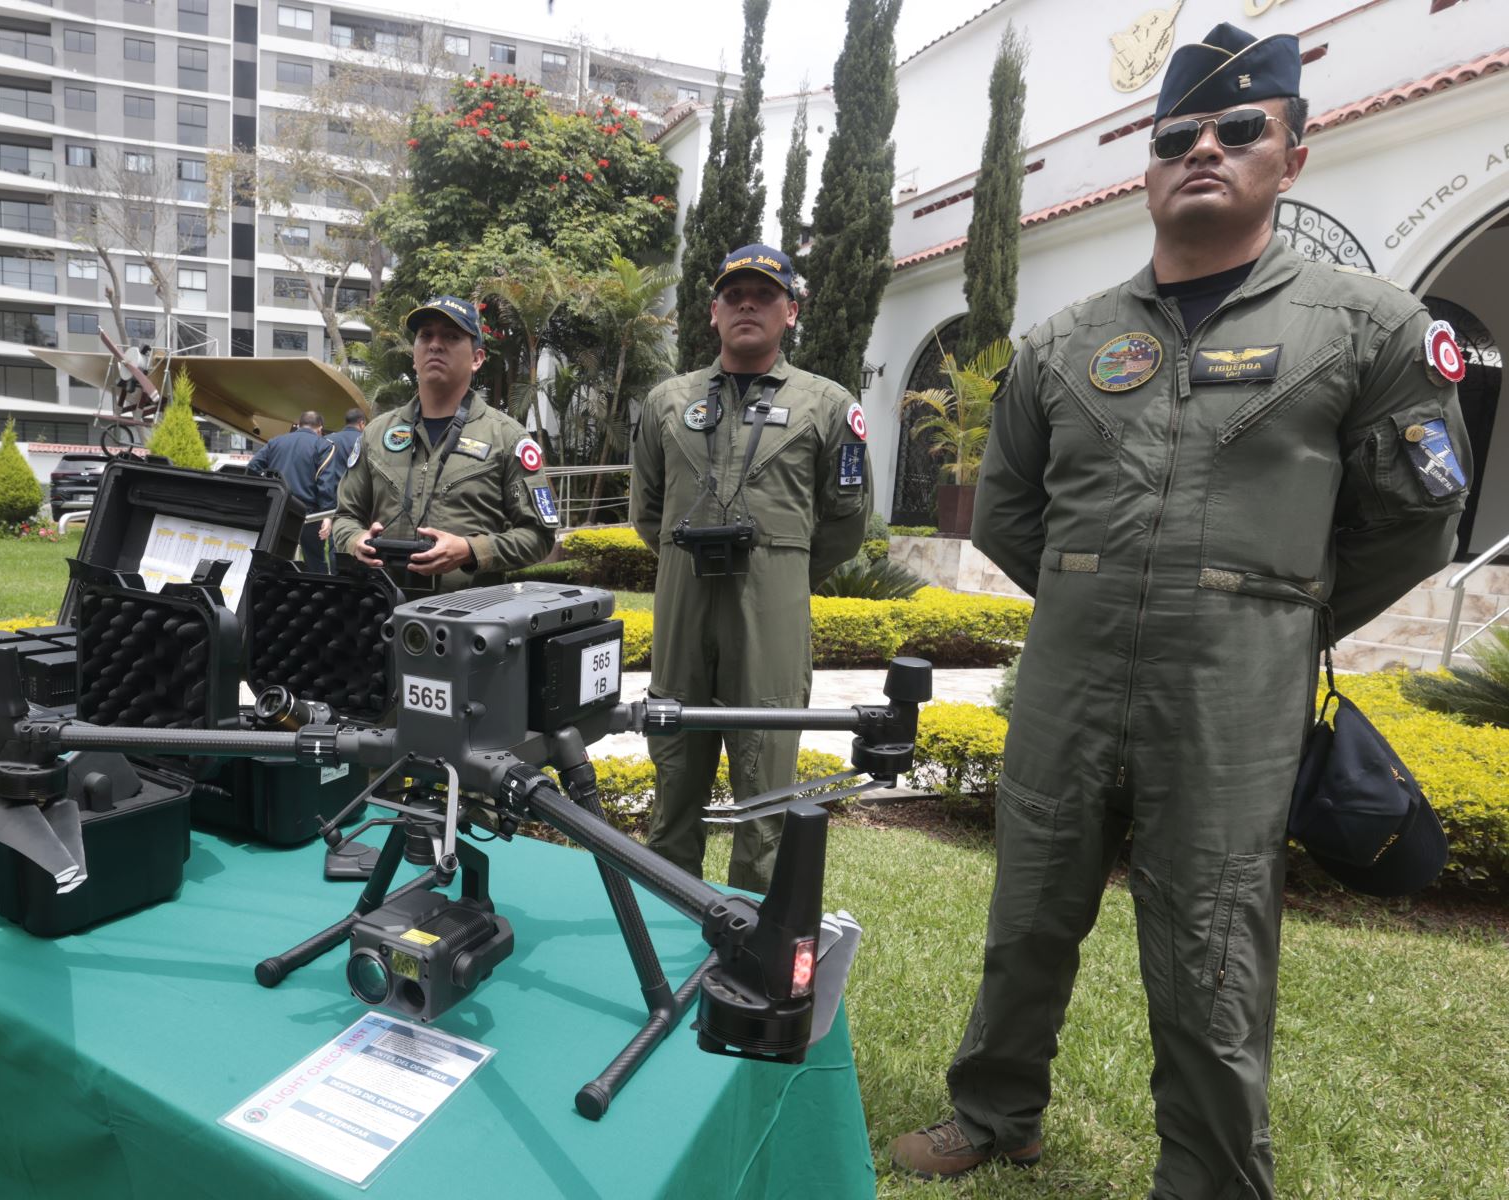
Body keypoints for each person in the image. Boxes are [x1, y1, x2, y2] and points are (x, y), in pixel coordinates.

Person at [889, 24, 1472, 1197]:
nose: (1205, 148)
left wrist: (1279, 608)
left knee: (1213, 940)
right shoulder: (1064, 343)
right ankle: (995, 1111)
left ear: (1292, 155)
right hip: (1070, 675)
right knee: (1028, 909)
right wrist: (1100, 587)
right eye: (1176, 137)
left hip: (1233, 694)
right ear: (1146, 170)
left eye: (1240, 128)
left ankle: (1207, 1173)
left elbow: (1419, 515)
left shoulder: (1366, 326)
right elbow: (1007, 513)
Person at [630, 245, 871, 892]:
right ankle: (666, 921)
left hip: (772, 615)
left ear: (790, 312)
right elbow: (647, 514)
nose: (746, 304)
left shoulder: (826, 404)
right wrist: (688, 557)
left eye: (763, 294)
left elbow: (846, 522)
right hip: (683, 608)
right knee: (674, 771)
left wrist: (780, 570)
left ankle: (752, 940)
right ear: (712, 312)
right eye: (733, 294)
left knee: (765, 787)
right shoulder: (666, 403)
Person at [329, 296, 558, 593]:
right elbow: (345, 517)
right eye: (426, 336)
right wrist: (354, 540)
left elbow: (539, 536)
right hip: (382, 613)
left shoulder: (507, 439)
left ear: (477, 358)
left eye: (451, 336)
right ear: (414, 356)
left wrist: (471, 550)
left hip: (468, 620)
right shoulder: (376, 434)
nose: (435, 344)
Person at [248, 410, 338, 566]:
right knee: (314, 562)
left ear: (298, 424)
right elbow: (326, 483)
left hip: (277, 510)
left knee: (274, 560)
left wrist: (267, 492)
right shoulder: (323, 446)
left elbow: (253, 468)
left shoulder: (275, 442)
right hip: (308, 514)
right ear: (320, 428)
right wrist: (327, 515)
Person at [318, 408, 369, 554]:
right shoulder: (366, 440)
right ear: (361, 423)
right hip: (360, 500)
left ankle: (337, 574)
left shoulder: (329, 440)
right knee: (362, 540)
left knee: (338, 541)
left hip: (334, 498)